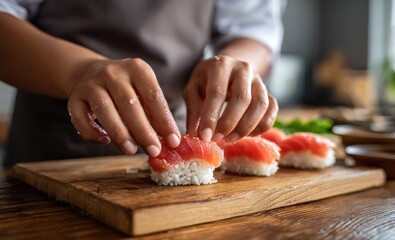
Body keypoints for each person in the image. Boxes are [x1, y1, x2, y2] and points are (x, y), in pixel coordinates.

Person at [0, 0, 283, 166]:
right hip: (52, 147)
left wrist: (232, 65)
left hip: (180, 127)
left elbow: (253, 27)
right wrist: (78, 71)